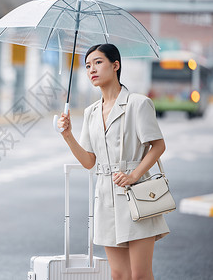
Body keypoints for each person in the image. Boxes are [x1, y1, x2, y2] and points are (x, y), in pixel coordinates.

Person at [57, 44, 169, 280]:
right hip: (106, 196)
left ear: (115, 65)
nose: (91, 70)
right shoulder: (91, 112)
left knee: (139, 275)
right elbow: (89, 161)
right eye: (87, 66)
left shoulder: (138, 103)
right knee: (118, 275)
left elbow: (158, 145)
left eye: (98, 62)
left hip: (136, 195)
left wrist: (134, 175)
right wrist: (68, 135)